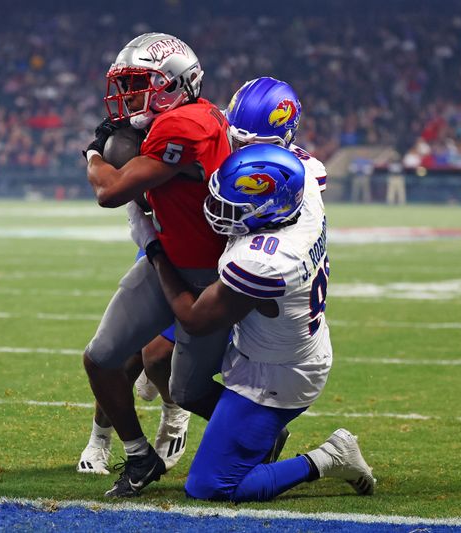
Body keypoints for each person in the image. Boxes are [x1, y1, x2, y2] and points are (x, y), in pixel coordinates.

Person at [141, 143, 375, 501]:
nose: (217, 211)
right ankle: (249, 434)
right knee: (159, 357)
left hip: (275, 375)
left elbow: (194, 319)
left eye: (232, 208)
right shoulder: (305, 192)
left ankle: (330, 457)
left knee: (211, 486)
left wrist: (153, 249)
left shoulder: (264, 261)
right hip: (273, 339)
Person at [82, 32, 232, 497]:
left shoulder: (187, 123)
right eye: (125, 86)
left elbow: (110, 192)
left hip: (212, 274)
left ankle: (256, 429)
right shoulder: (171, 122)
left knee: (186, 388)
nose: (128, 97)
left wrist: (91, 153)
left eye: (138, 84)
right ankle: (138, 455)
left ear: (176, 84)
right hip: (165, 258)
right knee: (101, 358)